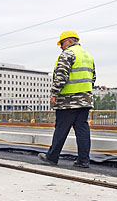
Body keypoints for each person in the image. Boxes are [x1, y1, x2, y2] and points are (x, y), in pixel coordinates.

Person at [38, 31, 96, 168]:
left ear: (70, 41)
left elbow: (61, 76)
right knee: (82, 129)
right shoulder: (87, 55)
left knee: (61, 128)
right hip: (85, 99)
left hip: (68, 100)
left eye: (62, 43)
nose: (61, 47)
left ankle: (52, 157)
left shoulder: (68, 54)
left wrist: (54, 94)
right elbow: (93, 78)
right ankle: (83, 160)